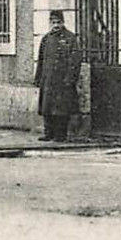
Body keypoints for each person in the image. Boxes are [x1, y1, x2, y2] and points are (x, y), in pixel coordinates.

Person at [34, 9, 81, 141]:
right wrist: (38, 78)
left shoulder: (70, 38)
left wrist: (70, 79)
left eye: (58, 22)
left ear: (63, 22)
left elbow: (75, 61)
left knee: (61, 109)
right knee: (47, 108)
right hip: (48, 80)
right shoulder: (46, 39)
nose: (56, 25)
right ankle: (49, 133)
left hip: (63, 81)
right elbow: (41, 60)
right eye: (53, 22)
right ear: (50, 23)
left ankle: (61, 135)